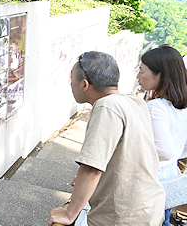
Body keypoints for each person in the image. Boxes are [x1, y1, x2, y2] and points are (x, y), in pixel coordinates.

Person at [48, 51, 165, 226]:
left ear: (84, 84)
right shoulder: (133, 102)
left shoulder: (106, 106)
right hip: (149, 208)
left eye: (71, 78)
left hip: (124, 216)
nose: (70, 83)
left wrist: (69, 214)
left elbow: (92, 167)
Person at [137, 45, 187, 225]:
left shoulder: (155, 106)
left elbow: (164, 151)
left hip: (149, 186)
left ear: (160, 75)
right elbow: (181, 149)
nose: (138, 76)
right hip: (169, 182)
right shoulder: (181, 106)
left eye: (142, 70)